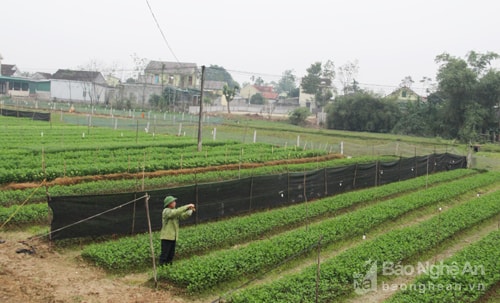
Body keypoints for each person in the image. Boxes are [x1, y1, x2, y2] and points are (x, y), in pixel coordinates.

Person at [159, 195, 195, 266]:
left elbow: (182, 216)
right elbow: (175, 213)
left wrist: (189, 212)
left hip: (173, 237)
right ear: (169, 203)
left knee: (171, 255)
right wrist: (186, 206)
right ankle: (162, 270)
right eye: (173, 202)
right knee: (164, 256)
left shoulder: (174, 212)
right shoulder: (166, 211)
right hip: (166, 237)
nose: (175, 203)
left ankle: (169, 269)